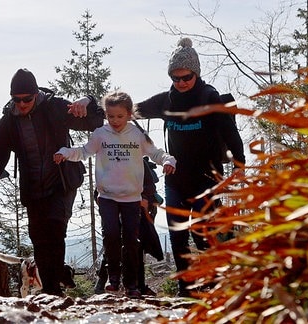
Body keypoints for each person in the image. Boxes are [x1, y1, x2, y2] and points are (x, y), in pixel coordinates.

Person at [135, 38, 246, 297]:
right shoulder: (166, 101)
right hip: (176, 178)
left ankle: (215, 284)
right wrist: (96, 107)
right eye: (176, 78)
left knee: (203, 232)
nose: (181, 83)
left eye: (186, 77)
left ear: (196, 72)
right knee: (177, 233)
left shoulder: (209, 97)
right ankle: (185, 289)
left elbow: (230, 133)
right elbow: (130, 110)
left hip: (207, 178)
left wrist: (240, 164)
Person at [0, 68, 105, 297]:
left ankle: (52, 290)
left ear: (36, 94)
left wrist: (88, 100)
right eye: (16, 100)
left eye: (26, 99)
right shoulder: (8, 120)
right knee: (39, 236)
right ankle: (54, 282)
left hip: (62, 182)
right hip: (33, 187)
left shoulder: (55, 107)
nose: (22, 104)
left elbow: (96, 120)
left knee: (55, 229)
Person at [54, 91, 176, 298]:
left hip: (131, 198)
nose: (115, 121)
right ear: (106, 115)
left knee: (131, 241)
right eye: (111, 116)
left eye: (120, 116)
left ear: (129, 114)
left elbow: (155, 153)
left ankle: (132, 285)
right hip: (107, 196)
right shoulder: (101, 134)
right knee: (110, 234)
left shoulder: (137, 136)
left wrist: (167, 160)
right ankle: (113, 278)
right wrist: (65, 152)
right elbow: (83, 152)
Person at [94, 156, 164, 296]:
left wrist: (144, 200)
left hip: (135, 210)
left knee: (133, 245)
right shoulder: (108, 157)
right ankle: (109, 283)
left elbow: (150, 190)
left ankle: (133, 286)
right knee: (113, 241)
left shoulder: (137, 160)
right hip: (114, 209)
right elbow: (99, 189)